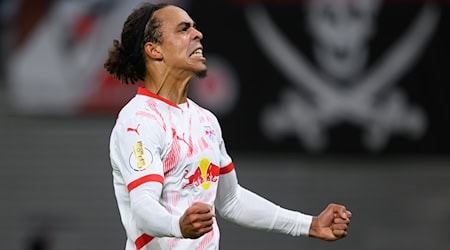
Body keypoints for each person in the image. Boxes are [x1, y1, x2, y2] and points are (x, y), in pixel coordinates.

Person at [104, 2, 352, 249]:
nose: (198, 34)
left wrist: (309, 224)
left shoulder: (206, 121)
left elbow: (231, 200)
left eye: (195, 27)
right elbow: (143, 206)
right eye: (183, 29)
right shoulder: (139, 121)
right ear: (154, 50)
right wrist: (177, 226)